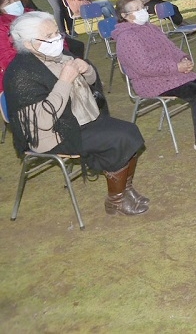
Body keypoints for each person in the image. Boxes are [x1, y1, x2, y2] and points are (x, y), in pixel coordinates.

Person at [5, 11, 149, 216]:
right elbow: (44, 121)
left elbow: (91, 85)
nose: (56, 38)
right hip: (54, 134)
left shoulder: (59, 55)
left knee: (130, 132)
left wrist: (87, 70)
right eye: (48, 36)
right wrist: (65, 80)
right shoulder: (20, 73)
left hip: (80, 119)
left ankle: (124, 190)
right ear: (28, 44)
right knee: (119, 138)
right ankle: (115, 201)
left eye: (56, 32)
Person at [113, 0, 196, 152]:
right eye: (137, 9)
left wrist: (184, 59)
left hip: (170, 74)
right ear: (124, 16)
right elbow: (145, 67)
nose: (143, 11)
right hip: (150, 82)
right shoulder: (127, 37)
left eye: (142, 7)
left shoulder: (151, 28)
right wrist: (176, 67)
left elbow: (171, 49)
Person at [1, 0, 84, 91]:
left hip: (54, 62)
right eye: (8, 2)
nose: (14, 3)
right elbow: (7, 58)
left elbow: (56, 37)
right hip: (27, 72)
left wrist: (64, 54)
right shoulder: (2, 27)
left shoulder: (33, 15)